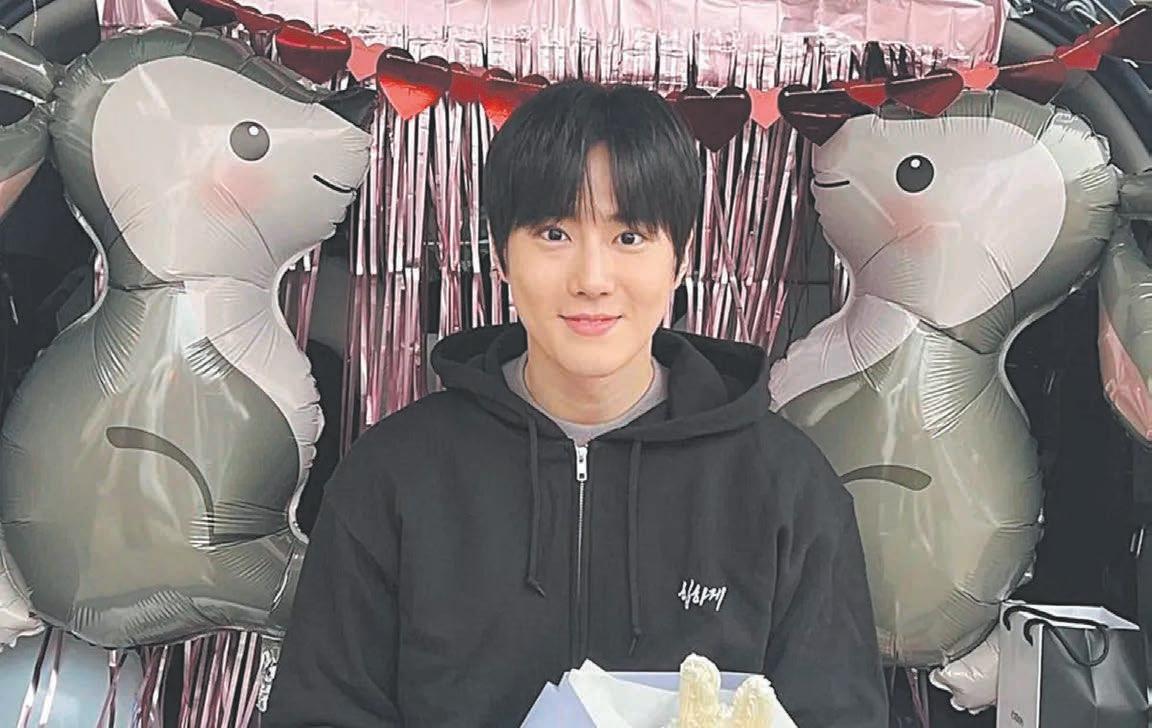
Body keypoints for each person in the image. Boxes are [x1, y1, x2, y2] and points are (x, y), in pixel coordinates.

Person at [264, 80, 888, 727]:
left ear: (679, 260)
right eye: (554, 232)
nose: (592, 279)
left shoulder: (784, 485)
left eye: (630, 237)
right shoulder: (394, 475)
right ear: (502, 255)